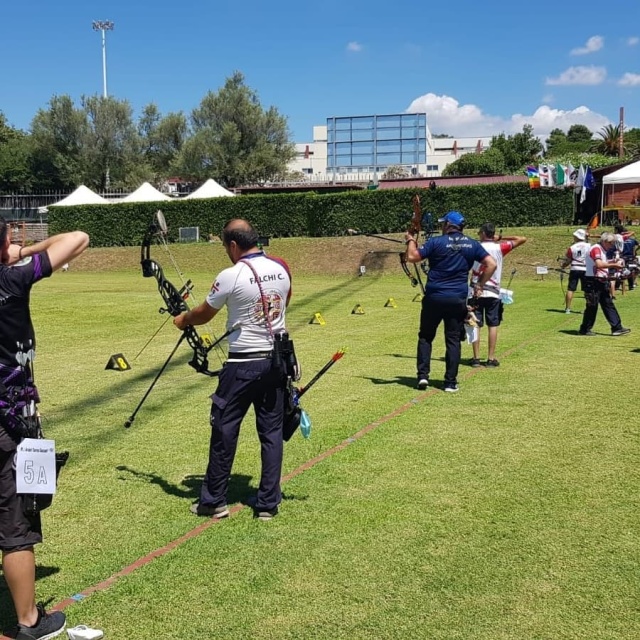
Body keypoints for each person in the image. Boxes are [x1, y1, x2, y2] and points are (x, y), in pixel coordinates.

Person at [0, 218, 89, 640]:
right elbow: (78, 239)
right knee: (15, 528)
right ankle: (30, 621)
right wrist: (23, 253)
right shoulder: (12, 280)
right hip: (8, 423)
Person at [173, 219, 292, 521]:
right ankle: (267, 503)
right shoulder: (281, 267)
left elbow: (203, 314)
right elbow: (283, 302)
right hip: (276, 361)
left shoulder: (231, 274)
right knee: (272, 431)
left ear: (234, 245)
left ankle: (214, 501)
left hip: (242, 365)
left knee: (224, 429)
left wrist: (183, 319)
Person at [405, 211, 497, 392]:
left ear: (448, 224)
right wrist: (480, 284)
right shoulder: (472, 243)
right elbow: (491, 264)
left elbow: (412, 257)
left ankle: (423, 376)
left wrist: (410, 239)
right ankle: (450, 382)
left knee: (426, 336)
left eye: (442, 224)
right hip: (457, 299)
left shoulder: (436, 242)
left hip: (434, 297)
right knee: (453, 339)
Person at [469, 223, 527, 367]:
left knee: (474, 323)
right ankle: (490, 358)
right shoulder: (499, 247)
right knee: (493, 324)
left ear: (482, 233)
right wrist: (500, 238)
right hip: (493, 291)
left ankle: (476, 358)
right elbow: (522, 238)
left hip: (475, 289)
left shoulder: (475, 247)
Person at [578, 232, 630, 336]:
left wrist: (613, 261)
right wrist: (615, 264)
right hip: (593, 281)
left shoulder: (601, 250)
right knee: (592, 306)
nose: (612, 246)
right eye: (611, 243)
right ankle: (585, 328)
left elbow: (602, 262)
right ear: (605, 241)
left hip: (600, 280)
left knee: (608, 304)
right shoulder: (596, 249)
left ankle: (617, 328)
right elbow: (599, 264)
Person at [560, 229, 591, 313]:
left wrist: (563, 265)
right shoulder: (589, 246)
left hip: (575, 269)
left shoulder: (572, 247)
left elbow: (568, 260)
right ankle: (588, 309)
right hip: (586, 269)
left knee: (571, 289)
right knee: (587, 290)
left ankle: (567, 309)